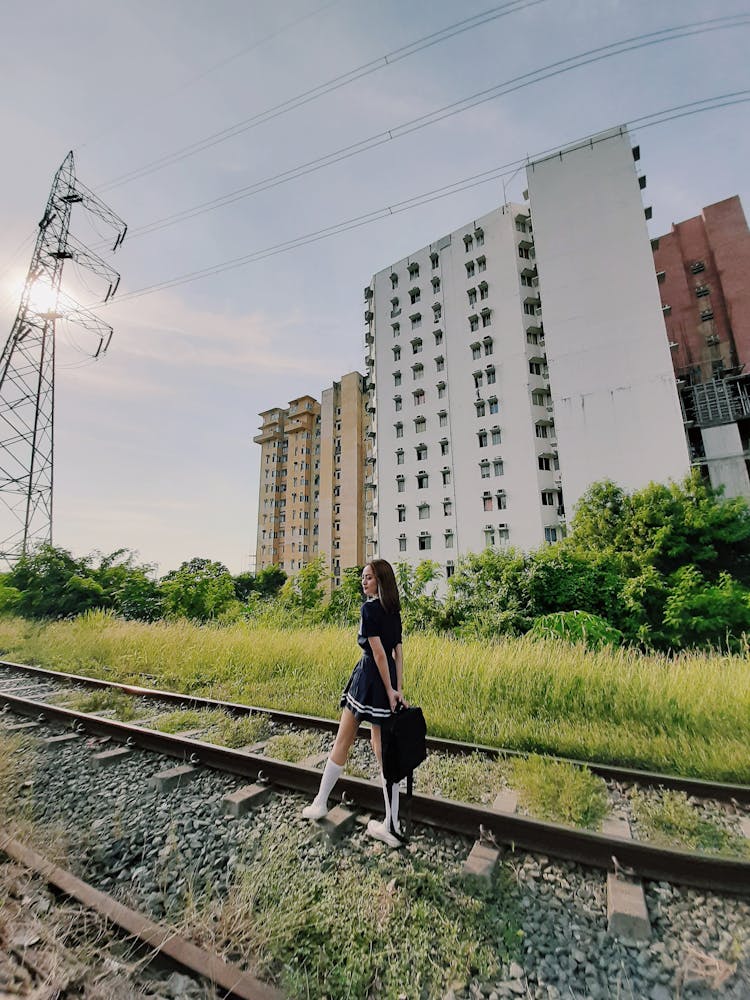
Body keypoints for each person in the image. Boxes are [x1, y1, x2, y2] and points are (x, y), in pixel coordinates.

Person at [302, 559, 406, 847]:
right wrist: (397, 690)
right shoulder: (394, 612)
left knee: (342, 741)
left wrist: (388, 689)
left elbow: (380, 654)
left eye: (369, 577)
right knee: (381, 750)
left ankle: (321, 803)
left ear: (381, 581)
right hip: (386, 683)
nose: (364, 582)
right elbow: (398, 655)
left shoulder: (369, 609)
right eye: (363, 577)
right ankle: (392, 824)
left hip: (369, 680)